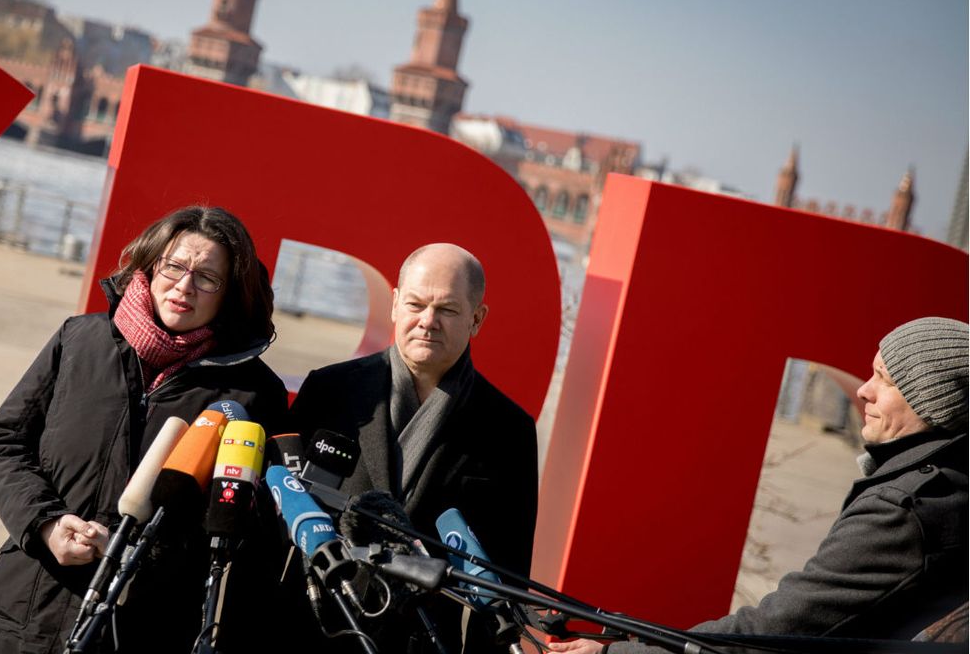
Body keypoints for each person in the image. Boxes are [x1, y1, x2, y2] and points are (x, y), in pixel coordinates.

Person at [0, 206, 290, 654]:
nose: (183, 286)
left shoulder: (252, 393)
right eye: (173, 266)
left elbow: (244, 525)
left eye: (207, 278)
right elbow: (4, 443)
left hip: (143, 624)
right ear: (150, 265)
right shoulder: (79, 339)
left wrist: (132, 553)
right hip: (25, 609)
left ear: (230, 292)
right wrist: (45, 524)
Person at [550, 317, 969, 652]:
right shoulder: (951, 483)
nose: (863, 391)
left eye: (886, 380)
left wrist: (613, 653)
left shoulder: (903, 510)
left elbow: (769, 633)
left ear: (935, 401)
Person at [290, 243, 539, 653]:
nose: (428, 322)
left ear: (477, 319)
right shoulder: (330, 391)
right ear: (393, 304)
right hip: (313, 626)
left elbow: (504, 582)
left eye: (447, 310)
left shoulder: (506, 429)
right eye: (416, 304)